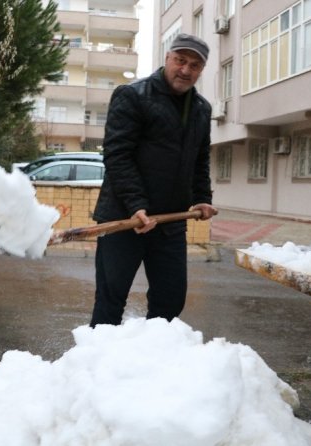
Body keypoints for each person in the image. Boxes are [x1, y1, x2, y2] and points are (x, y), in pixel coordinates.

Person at [90, 33, 218, 327]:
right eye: (181, 61)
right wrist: (136, 204)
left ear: (201, 70)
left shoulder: (201, 109)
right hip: (124, 218)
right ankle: (98, 368)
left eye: (195, 65)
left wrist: (202, 197)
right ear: (167, 58)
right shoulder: (133, 95)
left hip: (170, 223)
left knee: (170, 300)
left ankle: (155, 364)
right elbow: (117, 155)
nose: (185, 70)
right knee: (111, 300)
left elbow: (200, 159)